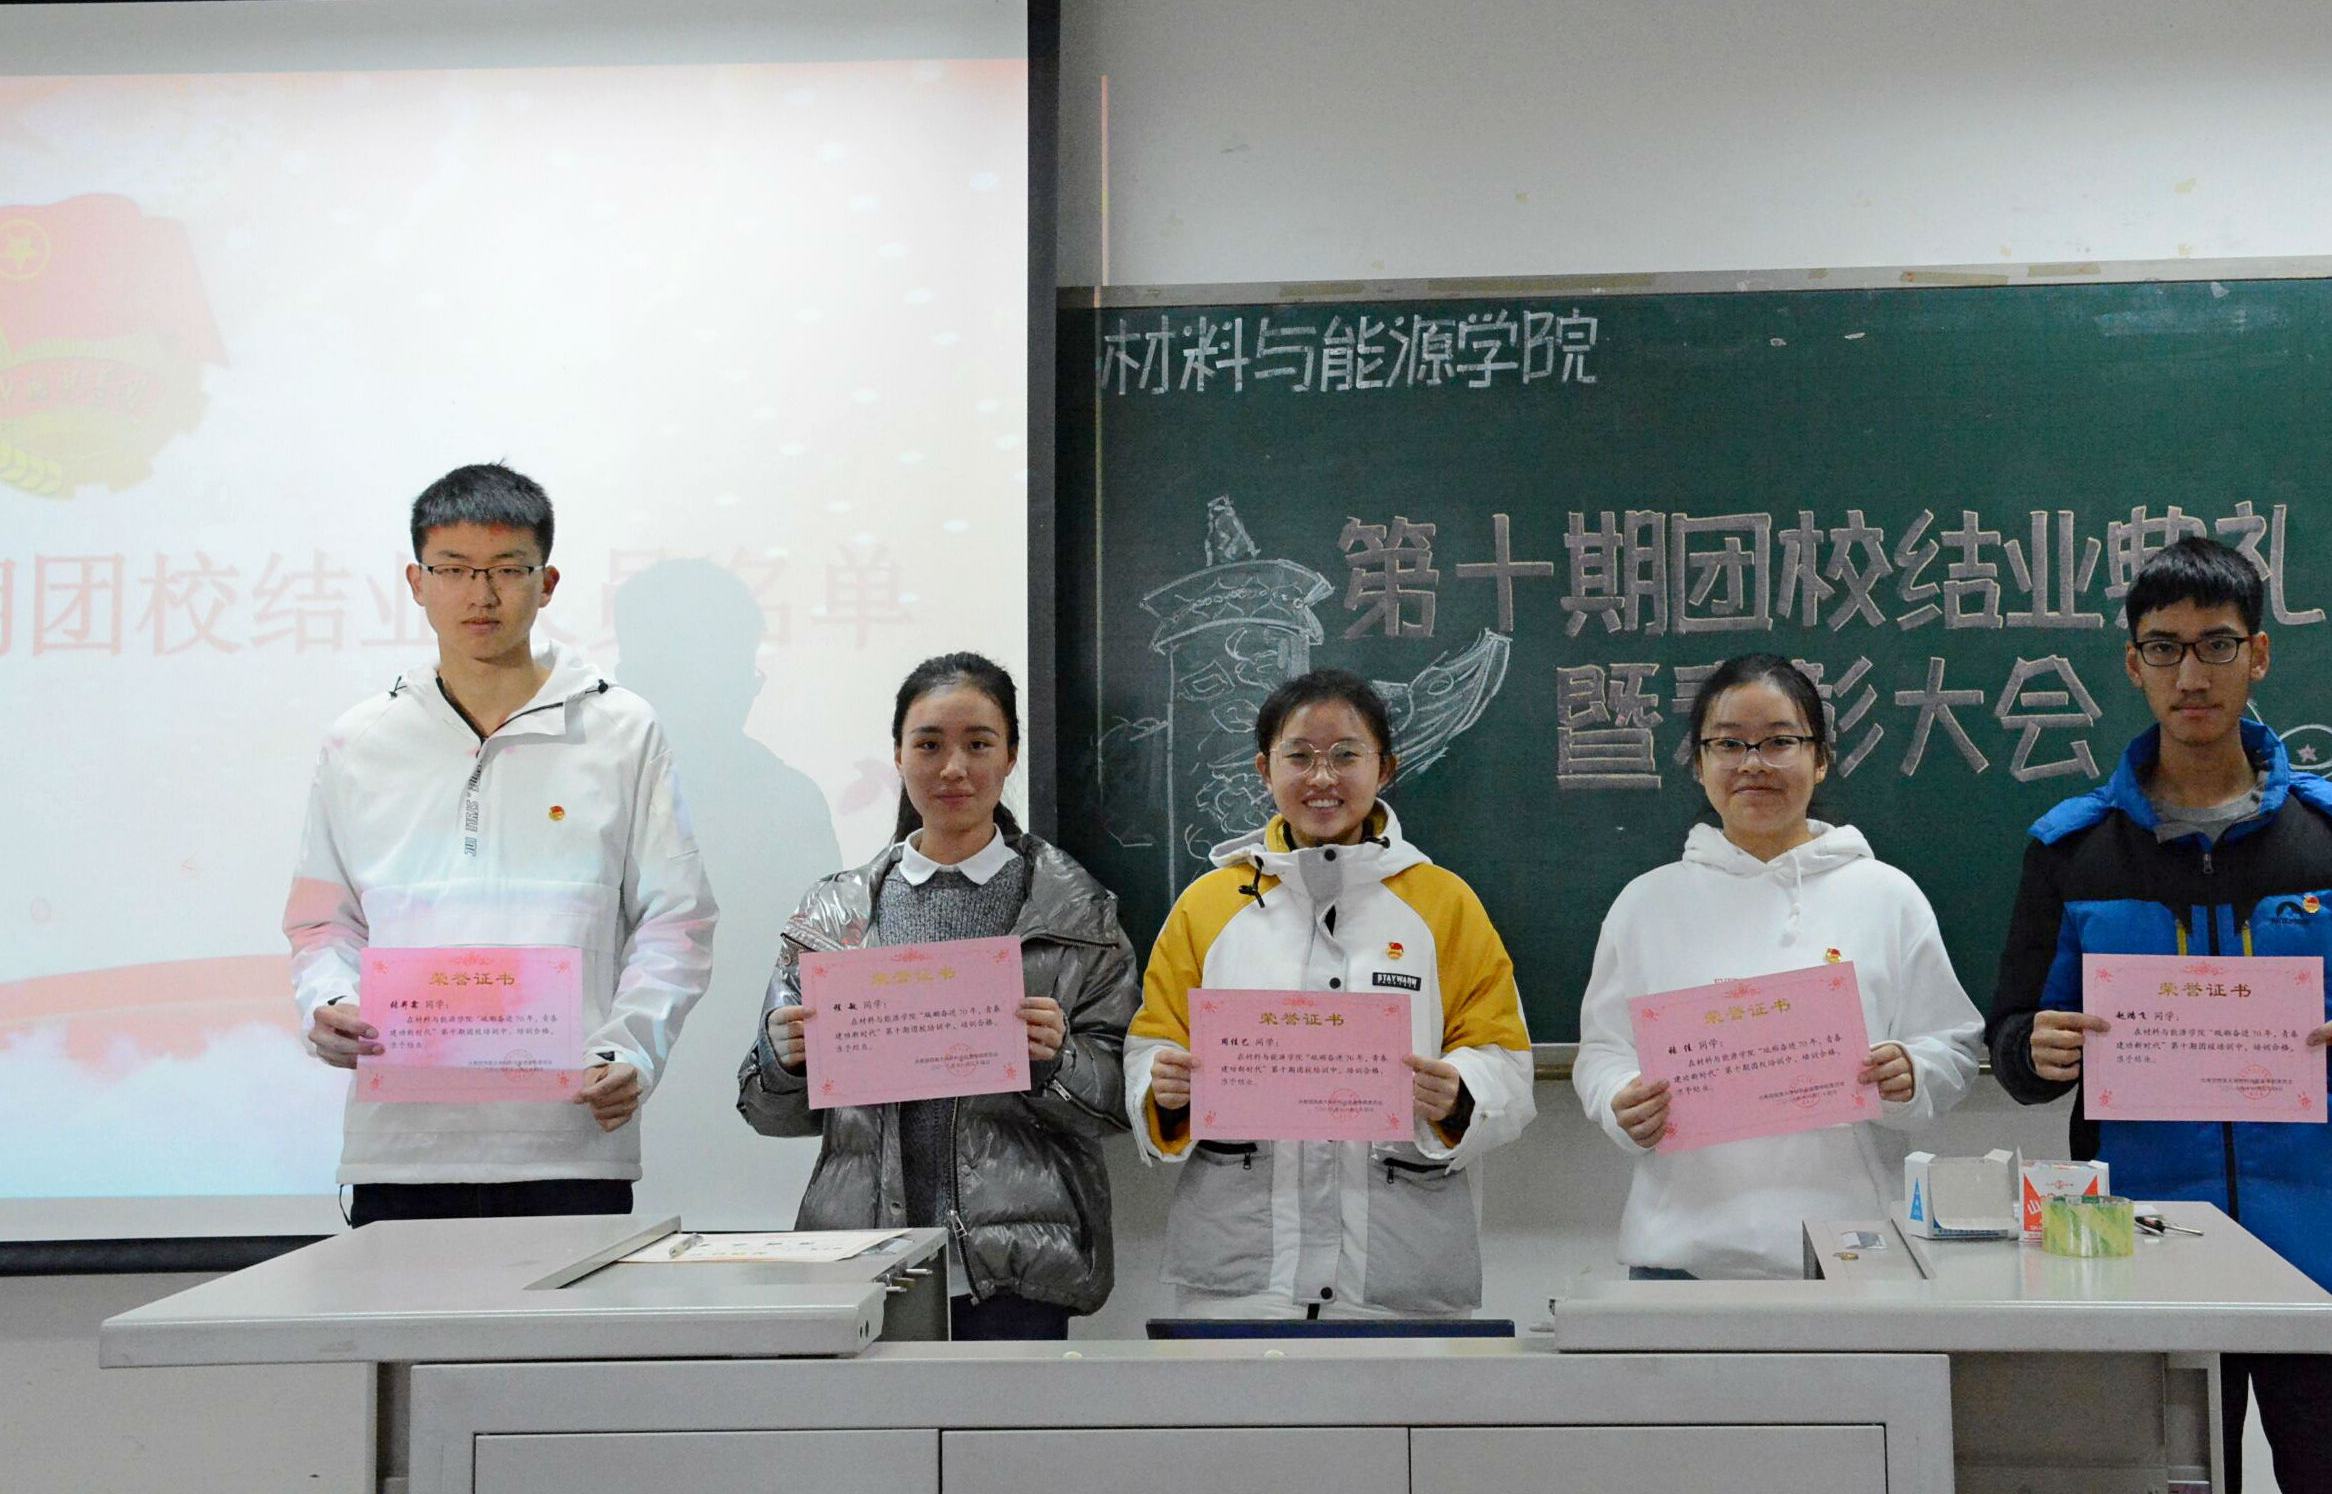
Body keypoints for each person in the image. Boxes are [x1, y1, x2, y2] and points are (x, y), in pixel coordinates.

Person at [1985, 534, 2332, 1494]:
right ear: (2134, 664)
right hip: (2133, 1254)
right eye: (2164, 648)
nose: (2190, 675)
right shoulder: (2073, 852)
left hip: (2316, 1255)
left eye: (2217, 645)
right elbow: (2012, 1041)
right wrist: (2035, 1049)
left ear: (2259, 654)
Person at [283, 462, 717, 1223]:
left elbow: (676, 920)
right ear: (416, 582)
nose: (480, 595)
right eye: (453, 569)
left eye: (507, 570)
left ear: (546, 583)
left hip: (569, 1137)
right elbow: (323, 923)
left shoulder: (621, 730)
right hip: (403, 1144)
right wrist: (330, 1002)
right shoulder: (360, 741)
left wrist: (631, 1050)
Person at [738, 653, 1139, 1341]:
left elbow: (1125, 1101)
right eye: (928, 745)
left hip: (1017, 1267)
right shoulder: (834, 914)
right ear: (897, 755)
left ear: (1010, 756)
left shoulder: (1075, 912)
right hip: (863, 1261)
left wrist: (1059, 1060)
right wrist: (783, 1060)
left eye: (978, 744)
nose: (953, 768)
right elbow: (767, 1110)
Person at [1125, 667, 1534, 1318]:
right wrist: (1161, 1084)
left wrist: (1462, 1092)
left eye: (1346, 755)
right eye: (1299, 756)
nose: (1322, 777)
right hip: (1243, 1280)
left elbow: (1506, 1059)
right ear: (1264, 769)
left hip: (1397, 1273)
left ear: (1385, 768)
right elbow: (1151, 1042)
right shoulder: (1208, 906)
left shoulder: (1444, 904)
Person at [1575, 652, 1985, 1279]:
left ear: (1819, 759)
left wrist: (1913, 1071)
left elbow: (1952, 1044)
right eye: (1728, 744)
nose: (1753, 764)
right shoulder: (1647, 904)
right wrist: (1618, 1100)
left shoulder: (1886, 895)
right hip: (1681, 1258)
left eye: (1779, 741)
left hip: (1851, 1253)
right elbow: (1604, 1051)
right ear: (1700, 764)